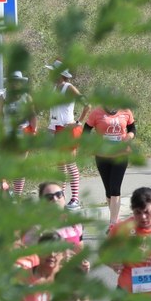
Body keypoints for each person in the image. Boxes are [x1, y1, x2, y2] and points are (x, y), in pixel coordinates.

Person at [45, 61, 88, 210]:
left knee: (70, 163)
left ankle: (75, 198)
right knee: (60, 165)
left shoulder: (68, 88)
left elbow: (87, 104)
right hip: (56, 129)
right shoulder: (53, 88)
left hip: (68, 129)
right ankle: (61, 196)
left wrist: (78, 122)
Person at [84, 104, 136, 224]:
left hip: (121, 155)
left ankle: (113, 223)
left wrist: (129, 135)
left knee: (115, 189)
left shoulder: (126, 111)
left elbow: (132, 129)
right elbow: (86, 131)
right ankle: (115, 219)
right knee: (108, 190)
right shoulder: (97, 112)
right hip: (102, 156)